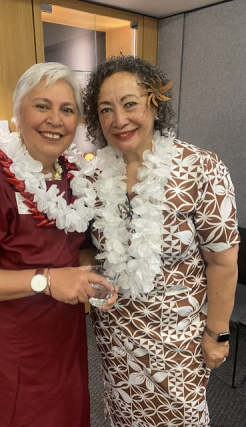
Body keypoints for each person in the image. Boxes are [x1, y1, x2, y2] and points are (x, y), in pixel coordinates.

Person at [0, 62, 117, 427]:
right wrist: (47, 280)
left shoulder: (71, 176)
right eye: (42, 106)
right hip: (9, 343)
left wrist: (87, 274)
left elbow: (76, 245)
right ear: (18, 112)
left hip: (62, 336)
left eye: (67, 110)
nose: (55, 119)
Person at [82, 55, 240, 426]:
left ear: (156, 102)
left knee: (180, 418)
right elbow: (87, 246)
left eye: (130, 104)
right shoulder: (93, 175)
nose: (119, 120)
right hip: (115, 336)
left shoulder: (201, 168)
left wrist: (217, 333)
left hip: (177, 338)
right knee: (122, 416)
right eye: (106, 110)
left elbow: (223, 261)